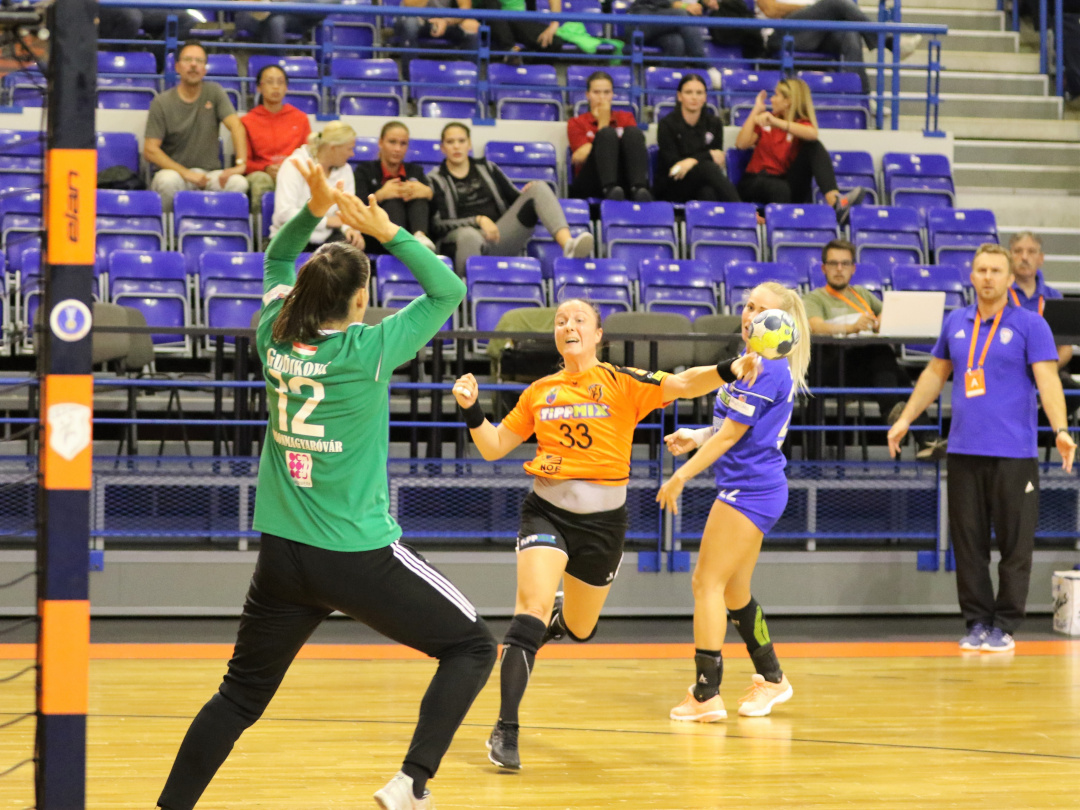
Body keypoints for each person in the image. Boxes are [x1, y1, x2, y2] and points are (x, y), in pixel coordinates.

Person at [154, 162, 496, 810]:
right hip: (356, 553)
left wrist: (313, 210)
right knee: (474, 647)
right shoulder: (367, 350)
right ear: (360, 302)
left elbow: (276, 259)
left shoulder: (273, 333)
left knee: (238, 697)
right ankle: (411, 783)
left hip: (283, 555)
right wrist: (389, 230)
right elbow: (448, 288)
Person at [452, 298, 761, 769]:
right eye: (561, 321)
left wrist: (728, 368)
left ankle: (559, 619)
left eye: (579, 320)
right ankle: (505, 729)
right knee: (530, 611)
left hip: (602, 527)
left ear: (598, 334)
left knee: (580, 628)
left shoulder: (623, 382)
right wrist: (472, 410)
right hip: (546, 514)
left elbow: (683, 384)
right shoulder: (539, 392)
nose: (568, 325)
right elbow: (494, 447)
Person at [887, 244, 1076, 653]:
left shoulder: (1031, 324)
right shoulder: (956, 321)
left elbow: (1048, 381)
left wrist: (1060, 429)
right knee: (968, 544)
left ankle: (1005, 625)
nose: (988, 277)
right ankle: (976, 623)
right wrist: (906, 419)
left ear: (1010, 279)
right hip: (964, 451)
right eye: (981, 270)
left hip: (1015, 453)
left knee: (1014, 544)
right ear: (971, 277)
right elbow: (934, 374)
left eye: (996, 271)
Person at [656, 282, 809, 721]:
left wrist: (681, 475)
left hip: (751, 491)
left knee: (706, 584)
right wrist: (696, 436)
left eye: (761, 310)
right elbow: (734, 429)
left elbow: (729, 437)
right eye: (748, 306)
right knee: (734, 590)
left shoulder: (767, 369)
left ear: (780, 324)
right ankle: (773, 679)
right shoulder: (754, 362)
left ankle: (706, 695)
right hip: (756, 487)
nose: (749, 315)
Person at [802, 239, 945, 459]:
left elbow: (887, 313)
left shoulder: (861, 294)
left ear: (853, 268)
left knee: (893, 369)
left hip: (865, 368)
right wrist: (851, 327)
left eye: (844, 263)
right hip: (829, 369)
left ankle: (919, 435)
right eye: (833, 263)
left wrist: (879, 321)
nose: (839, 269)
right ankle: (918, 432)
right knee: (887, 362)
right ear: (824, 268)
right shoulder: (814, 298)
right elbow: (815, 326)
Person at [428, 122, 594, 276]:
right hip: (461, 240)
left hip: (498, 236)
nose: (456, 146)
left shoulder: (488, 168)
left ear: (469, 144)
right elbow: (437, 226)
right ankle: (465, 293)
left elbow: (515, 199)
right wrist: (478, 220)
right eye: (450, 142)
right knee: (469, 236)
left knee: (538, 187)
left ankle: (568, 245)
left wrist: (528, 194)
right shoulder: (435, 179)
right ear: (443, 148)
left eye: (461, 141)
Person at [734, 78, 865, 224]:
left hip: (784, 184)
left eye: (776, 95)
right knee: (779, 188)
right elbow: (741, 144)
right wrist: (756, 110)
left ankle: (835, 201)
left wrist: (777, 122)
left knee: (814, 146)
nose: (771, 99)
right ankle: (775, 223)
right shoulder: (766, 120)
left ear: (788, 101)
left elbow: (813, 134)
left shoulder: (792, 123)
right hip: (755, 181)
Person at [144, 41, 249, 213]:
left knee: (239, 183)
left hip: (209, 175)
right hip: (175, 173)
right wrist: (186, 174)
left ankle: (219, 227)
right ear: (177, 67)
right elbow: (150, 150)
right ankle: (169, 228)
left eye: (199, 61)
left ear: (205, 69)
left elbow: (236, 126)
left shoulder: (215, 92)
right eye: (188, 60)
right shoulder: (161, 102)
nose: (193, 65)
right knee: (167, 182)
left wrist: (240, 164)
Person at [754, 0, 921, 97]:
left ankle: (861, 98)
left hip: (816, 34)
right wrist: (814, 9)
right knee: (835, 4)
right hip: (779, 35)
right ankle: (891, 42)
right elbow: (770, 9)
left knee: (849, 33)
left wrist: (820, 10)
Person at [272, 121, 363, 252]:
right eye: (349, 149)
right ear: (333, 148)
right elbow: (284, 214)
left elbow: (347, 211)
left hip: (327, 239)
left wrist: (349, 229)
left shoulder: (346, 169)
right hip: (290, 238)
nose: (352, 154)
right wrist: (327, 221)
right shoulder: (294, 164)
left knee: (351, 247)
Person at [566, 71, 652, 202]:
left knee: (633, 133)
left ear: (612, 94)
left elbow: (634, 149)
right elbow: (579, 157)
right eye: (596, 92)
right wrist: (603, 124)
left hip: (622, 178)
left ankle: (638, 189)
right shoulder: (576, 122)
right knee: (607, 134)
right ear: (588, 95)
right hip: (592, 179)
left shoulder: (626, 117)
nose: (602, 98)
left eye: (606, 92)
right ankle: (609, 189)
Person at [354, 121, 437, 254]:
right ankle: (399, 242)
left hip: (414, 234)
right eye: (392, 142)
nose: (397, 149)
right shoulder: (364, 170)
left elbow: (436, 211)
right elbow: (356, 207)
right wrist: (380, 195)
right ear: (381, 143)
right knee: (393, 202)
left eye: (403, 143)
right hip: (377, 238)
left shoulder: (415, 171)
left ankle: (420, 236)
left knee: (419, 197)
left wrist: (429, 194)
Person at [654, 73, 739, 204]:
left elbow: (718, 159)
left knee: (708, 192)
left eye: (699, 93)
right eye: (689, 92)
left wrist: (691, 160)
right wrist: (707, 155)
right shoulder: (667, 124)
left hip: (701, 183)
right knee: (707, 167)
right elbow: (674, 164)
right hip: (673, 184)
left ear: (705, 97)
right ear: (679, 96)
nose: (694, 97)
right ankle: (740, 207)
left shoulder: (714, 123)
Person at [242, 64, 312, 213]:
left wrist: (289, 168)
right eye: (269, 82)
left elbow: (308, 156)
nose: (275, 87)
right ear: (259, 88)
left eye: (280, 82)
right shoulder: (247, 121)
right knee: (261, 181)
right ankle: (261, 226)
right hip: (264, 174)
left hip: (294, 172)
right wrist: (265, 168)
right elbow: (244, 162)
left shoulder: (300, 118)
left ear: (286, 88)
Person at [1008, 231, 1073, 371]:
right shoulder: (1001, 295)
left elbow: (1066, 348)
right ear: (1009, 257)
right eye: (1018, 251)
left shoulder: (1054, 296)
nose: (1024, 257)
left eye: (1031, 251)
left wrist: (1045, 372)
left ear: (1041, 258)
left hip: (1048, 370)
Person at [623, 0, 711, 63]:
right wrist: (685, 6)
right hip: (639, 22)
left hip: (659, 29)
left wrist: (705, 2)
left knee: (676, 42)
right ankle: (705, 65)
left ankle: (670, 80)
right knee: (680, 15)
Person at [478, 0, 563, 57]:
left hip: (517, 18)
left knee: (554, 42)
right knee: (491, 3)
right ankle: (510, 51)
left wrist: (554, 23)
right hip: (488, 19)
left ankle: (529, 70)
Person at [394, 0, 479, 52]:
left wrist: (445, 21)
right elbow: (410, 6)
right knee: (410, 24)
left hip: (443, 21)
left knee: (472, 26)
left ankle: (473, 74)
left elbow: (465, 8)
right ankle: (408, 75)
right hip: (415, 18)